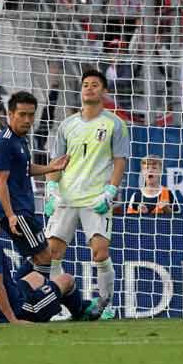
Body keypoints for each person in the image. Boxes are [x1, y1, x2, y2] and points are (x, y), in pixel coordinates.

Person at [44, 69, 129, 320]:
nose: (89, 88)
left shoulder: (114, 123)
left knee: (100, 252)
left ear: (104, 91)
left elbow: (120, 161)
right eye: (85, 85)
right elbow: (55, 161)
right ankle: (56, 306)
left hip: (95, 198)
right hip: (67, 198)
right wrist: (51, 189)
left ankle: (105, 305)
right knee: (53, 252)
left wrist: (110, 191)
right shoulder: (67, 125)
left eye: (94, 85)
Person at [0, 197, 101, 324]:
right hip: (20, 310)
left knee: (36, 276)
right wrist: (13, 320)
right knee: (67, 280)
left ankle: (54, 298)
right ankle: (81, 312)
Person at [0, 91, 69, 279]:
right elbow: (0, 181)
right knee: (44, 258)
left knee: (42, 258)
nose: (27, 120)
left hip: (25, 209)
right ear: (10, 114)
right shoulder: (4, 142)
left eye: (31, 114)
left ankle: (18, 294)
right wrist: (10, 215)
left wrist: (51, 167)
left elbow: (25, 169)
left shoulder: (21, 138)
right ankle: (22, 296)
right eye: (22, 114)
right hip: (16, 212)